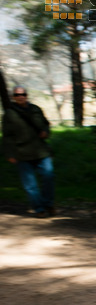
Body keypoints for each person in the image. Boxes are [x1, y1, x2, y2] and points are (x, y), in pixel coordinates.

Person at [2, 86, 55, 218]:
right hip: (22, 153)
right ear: (13, 97)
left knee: (49, 176)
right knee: (30, 185)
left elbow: (45, 124)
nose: (21, 97)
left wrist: (45, 132)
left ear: (27, 95)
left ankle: (48, 203)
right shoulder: (9, 114)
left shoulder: (36, 109)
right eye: (17, 95)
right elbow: (7, 136)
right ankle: (39, 208)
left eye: (23, 94)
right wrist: (9, 154)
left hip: (41, 151)